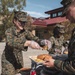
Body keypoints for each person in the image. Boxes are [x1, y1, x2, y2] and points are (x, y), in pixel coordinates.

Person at [1, 11, 46, 75]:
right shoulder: (9, 31)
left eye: (24, 22)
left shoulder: (25, 32)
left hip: (19, 59)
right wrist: (27, 43)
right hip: (8, 59)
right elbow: (10, 42)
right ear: (15, 21)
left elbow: (34, 38)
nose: (22, 24)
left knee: (20, 73)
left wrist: (42, 42)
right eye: (20, 22)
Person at [43, 0, 75, 74]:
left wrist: (55, 63)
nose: (66, 17)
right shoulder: (52, 38)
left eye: (67, 12)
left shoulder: (62, 38)